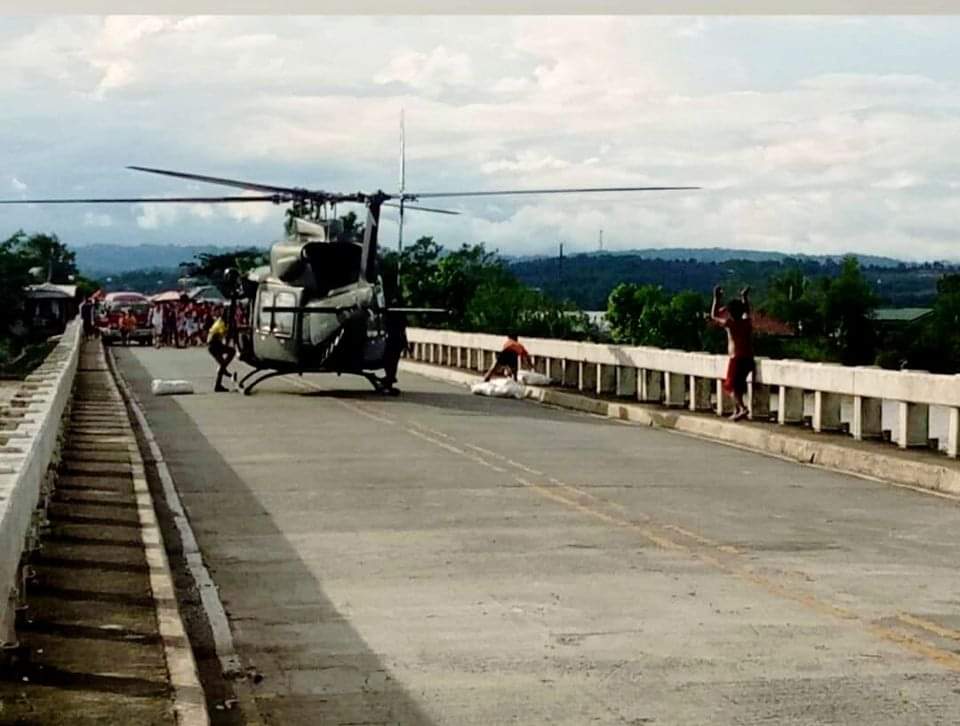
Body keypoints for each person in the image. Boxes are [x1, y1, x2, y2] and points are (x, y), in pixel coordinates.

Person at [711, 285, 754, 421]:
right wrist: (744, 298)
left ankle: (742, 408)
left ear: (730, 312)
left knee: (730, 386)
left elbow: (714, 315)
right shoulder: (747, 323)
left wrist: (716, 299)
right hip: (748, 358)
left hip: (736, 358)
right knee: (739, 386)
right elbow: (747, 311)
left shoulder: (730, 324)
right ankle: (736, 410)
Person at [207, 306, 235, 392]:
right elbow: (217, 336)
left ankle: (220, 380)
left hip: (214, 345)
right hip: (214, 345)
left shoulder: (221, 321)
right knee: (231, 352)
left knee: (224, 362)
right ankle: (223, 371)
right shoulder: (221, 323)